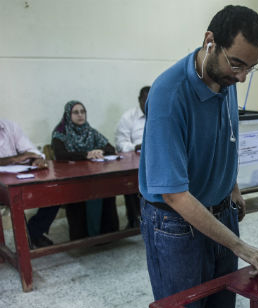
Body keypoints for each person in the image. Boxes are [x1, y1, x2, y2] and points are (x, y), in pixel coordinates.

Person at [138, 5, 258, 308]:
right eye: (237, 64)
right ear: (209, 41)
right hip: (174, 226)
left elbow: (227, 137)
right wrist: (240, 244)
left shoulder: (225, 82)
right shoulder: (168, 94)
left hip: (219, 213)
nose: (242, 76)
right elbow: (175, 194)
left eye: (251, 68)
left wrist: (231, 187)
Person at [52, 100, 119, 240]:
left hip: (94, 175)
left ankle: (107, 236)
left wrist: (98, 151)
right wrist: (86, 154)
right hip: (72, 179)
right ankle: (83, 238)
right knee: (79, 196)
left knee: (108, 188)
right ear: (68, 115)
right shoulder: (60, 133)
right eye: (75, 112)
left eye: (83, 112)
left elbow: (110, 149)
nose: (80, 115)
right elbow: (60, 155)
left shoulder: (90, 131)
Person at [0, 119, 59, 248]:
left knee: (54, 191)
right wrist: (14, 159)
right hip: (3, 185)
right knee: (15, 198)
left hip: (15, 178)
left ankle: (33, 232)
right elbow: (17, 158)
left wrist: (37, 158)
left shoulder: (9, 126)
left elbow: (30, 149)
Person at [115, 85, 150, 228]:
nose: (148, 105)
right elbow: (120, 143)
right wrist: (135, 147)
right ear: (139, 100)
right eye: (145, 101)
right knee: (129, 183)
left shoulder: (160, 115)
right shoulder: (128, 117)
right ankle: (134, 219)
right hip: (133, 162)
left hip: (154, 161)